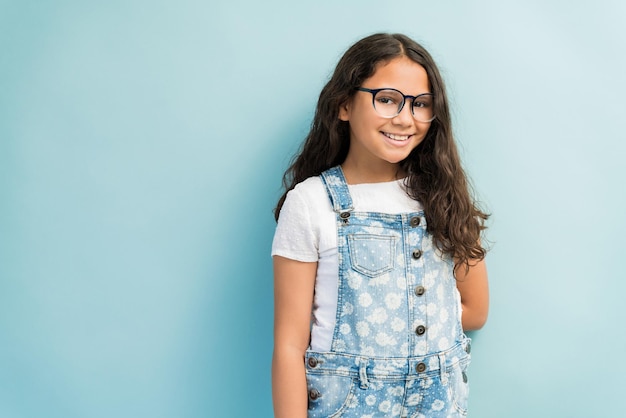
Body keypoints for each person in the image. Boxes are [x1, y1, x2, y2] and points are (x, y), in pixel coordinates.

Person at [271, 33, 489, 418]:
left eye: (421, 104)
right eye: (387, 99)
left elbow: (474, 309)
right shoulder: (310, 203)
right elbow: (290, 344)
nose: (405, 118)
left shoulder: (442, 195)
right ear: (343, 105)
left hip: (438, 405)